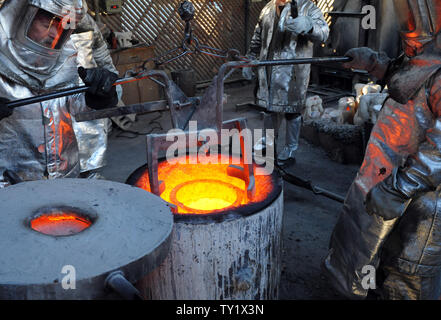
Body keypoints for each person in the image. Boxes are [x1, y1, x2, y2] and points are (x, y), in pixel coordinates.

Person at [323, 0, 441, 300]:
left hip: (422, 207)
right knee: (380, 263)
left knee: (406, 278)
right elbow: (409, 81)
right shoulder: (425, 54)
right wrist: (376, 64)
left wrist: (400, 187)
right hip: (390, 187)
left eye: (411, 11)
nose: (405, 17)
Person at [0, 0, 119, 187]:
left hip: (65, 180)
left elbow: (76, 108)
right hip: (9, 186)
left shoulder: (69, 60)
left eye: (65, 25)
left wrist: (100, 98)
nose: (55, 34)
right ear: (21, 17)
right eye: (48, 23)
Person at [244, 0, 329, 162]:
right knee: (269, 109)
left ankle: (290, 149)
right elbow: (257, 37)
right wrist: (249, 58)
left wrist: (309, 26)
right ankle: (268, 144)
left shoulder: (308, 8)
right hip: (267, 69)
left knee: (292, 111)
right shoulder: (268, 8)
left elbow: (324, 32)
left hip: (293, 73)